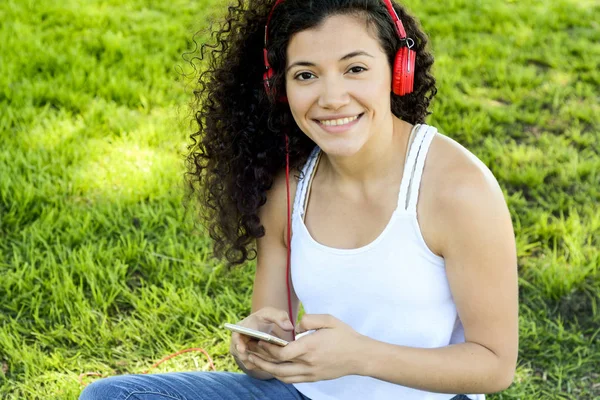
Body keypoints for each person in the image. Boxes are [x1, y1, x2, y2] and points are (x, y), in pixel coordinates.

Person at [79, 0, 519, 399]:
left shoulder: (457, 190)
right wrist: (258, 349)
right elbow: (272, 338)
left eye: (355, 69)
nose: (332, 98)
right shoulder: (289, 188)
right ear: (279, 88)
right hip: (306, 395)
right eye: (306, 75)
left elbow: (494, 365)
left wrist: (360, 356)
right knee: (109, 397)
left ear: (396, 70)